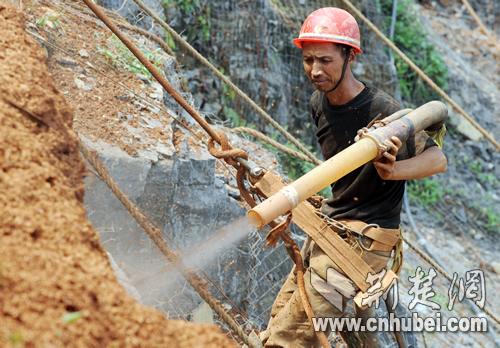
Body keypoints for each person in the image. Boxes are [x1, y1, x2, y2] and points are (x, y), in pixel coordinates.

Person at [260, 7, 447, 348]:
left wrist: (394, 170)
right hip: (332, 228)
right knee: (283, 319)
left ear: (350, 56)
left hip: (367, 240)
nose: (315, 70)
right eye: (308, 60)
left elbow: (437, 159)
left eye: (325, 60)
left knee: (291, 336)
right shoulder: (320, 102)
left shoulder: (383, 110)